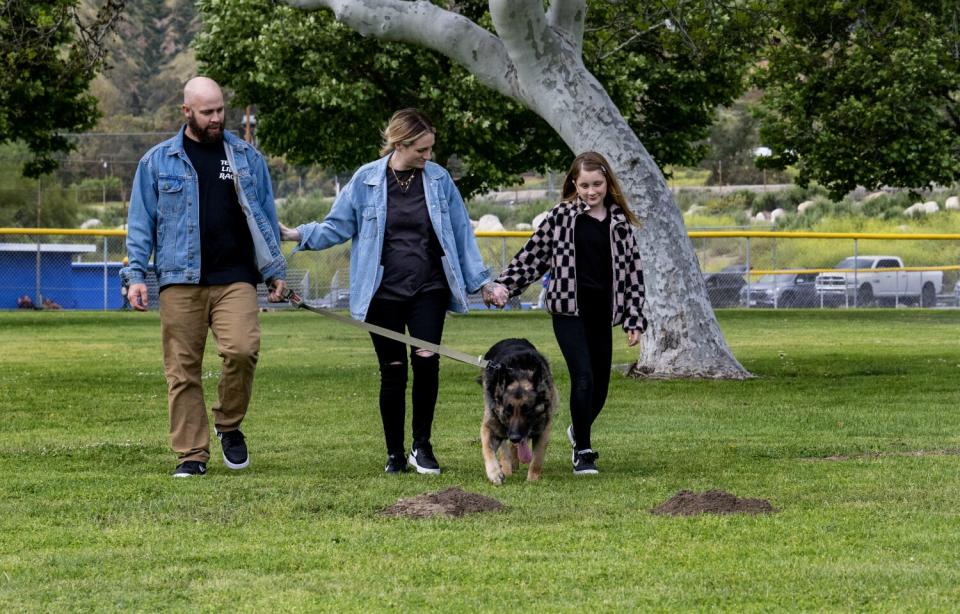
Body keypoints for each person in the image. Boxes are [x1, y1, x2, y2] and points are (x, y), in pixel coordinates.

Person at [279, 108, 508, 475]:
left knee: (426, 361)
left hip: (428, 289)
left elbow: (461, 235)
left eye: (431, 149)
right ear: (400, 144)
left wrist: (483, 281)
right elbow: (337, 226)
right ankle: (394, 454)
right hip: (381, 292)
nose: (428, 156)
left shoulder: (438, 181)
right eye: (422, 149)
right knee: (394, 370)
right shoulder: (367, 180)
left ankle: (422, 446)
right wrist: (296, 235)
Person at [124, 76, 288, 478]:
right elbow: (141, 223)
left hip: (236, 277)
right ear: (187, 112)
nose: (217, 118)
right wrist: (136, 275)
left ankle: (228, 424)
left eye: (220, 110)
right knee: (182, 371)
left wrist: (274, 272)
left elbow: (265, 217)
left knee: (242, 350)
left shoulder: (246, 158)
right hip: (180, 279)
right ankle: (191, 455)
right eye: (207, 112)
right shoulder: (157, 161)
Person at [495, 151, 648, 475]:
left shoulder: (619, 222)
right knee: (583, 378)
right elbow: (532, 257)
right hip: (569, 311)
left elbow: (634, 274)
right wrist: (506, 286)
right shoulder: (562, 217)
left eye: (597, 185)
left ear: (607, 183)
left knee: (600, 387)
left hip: (603, 312)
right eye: (584, 185)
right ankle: (584, 450)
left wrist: (634, 318)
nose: (591, 192)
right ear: (574, 185)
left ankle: (579, 429)